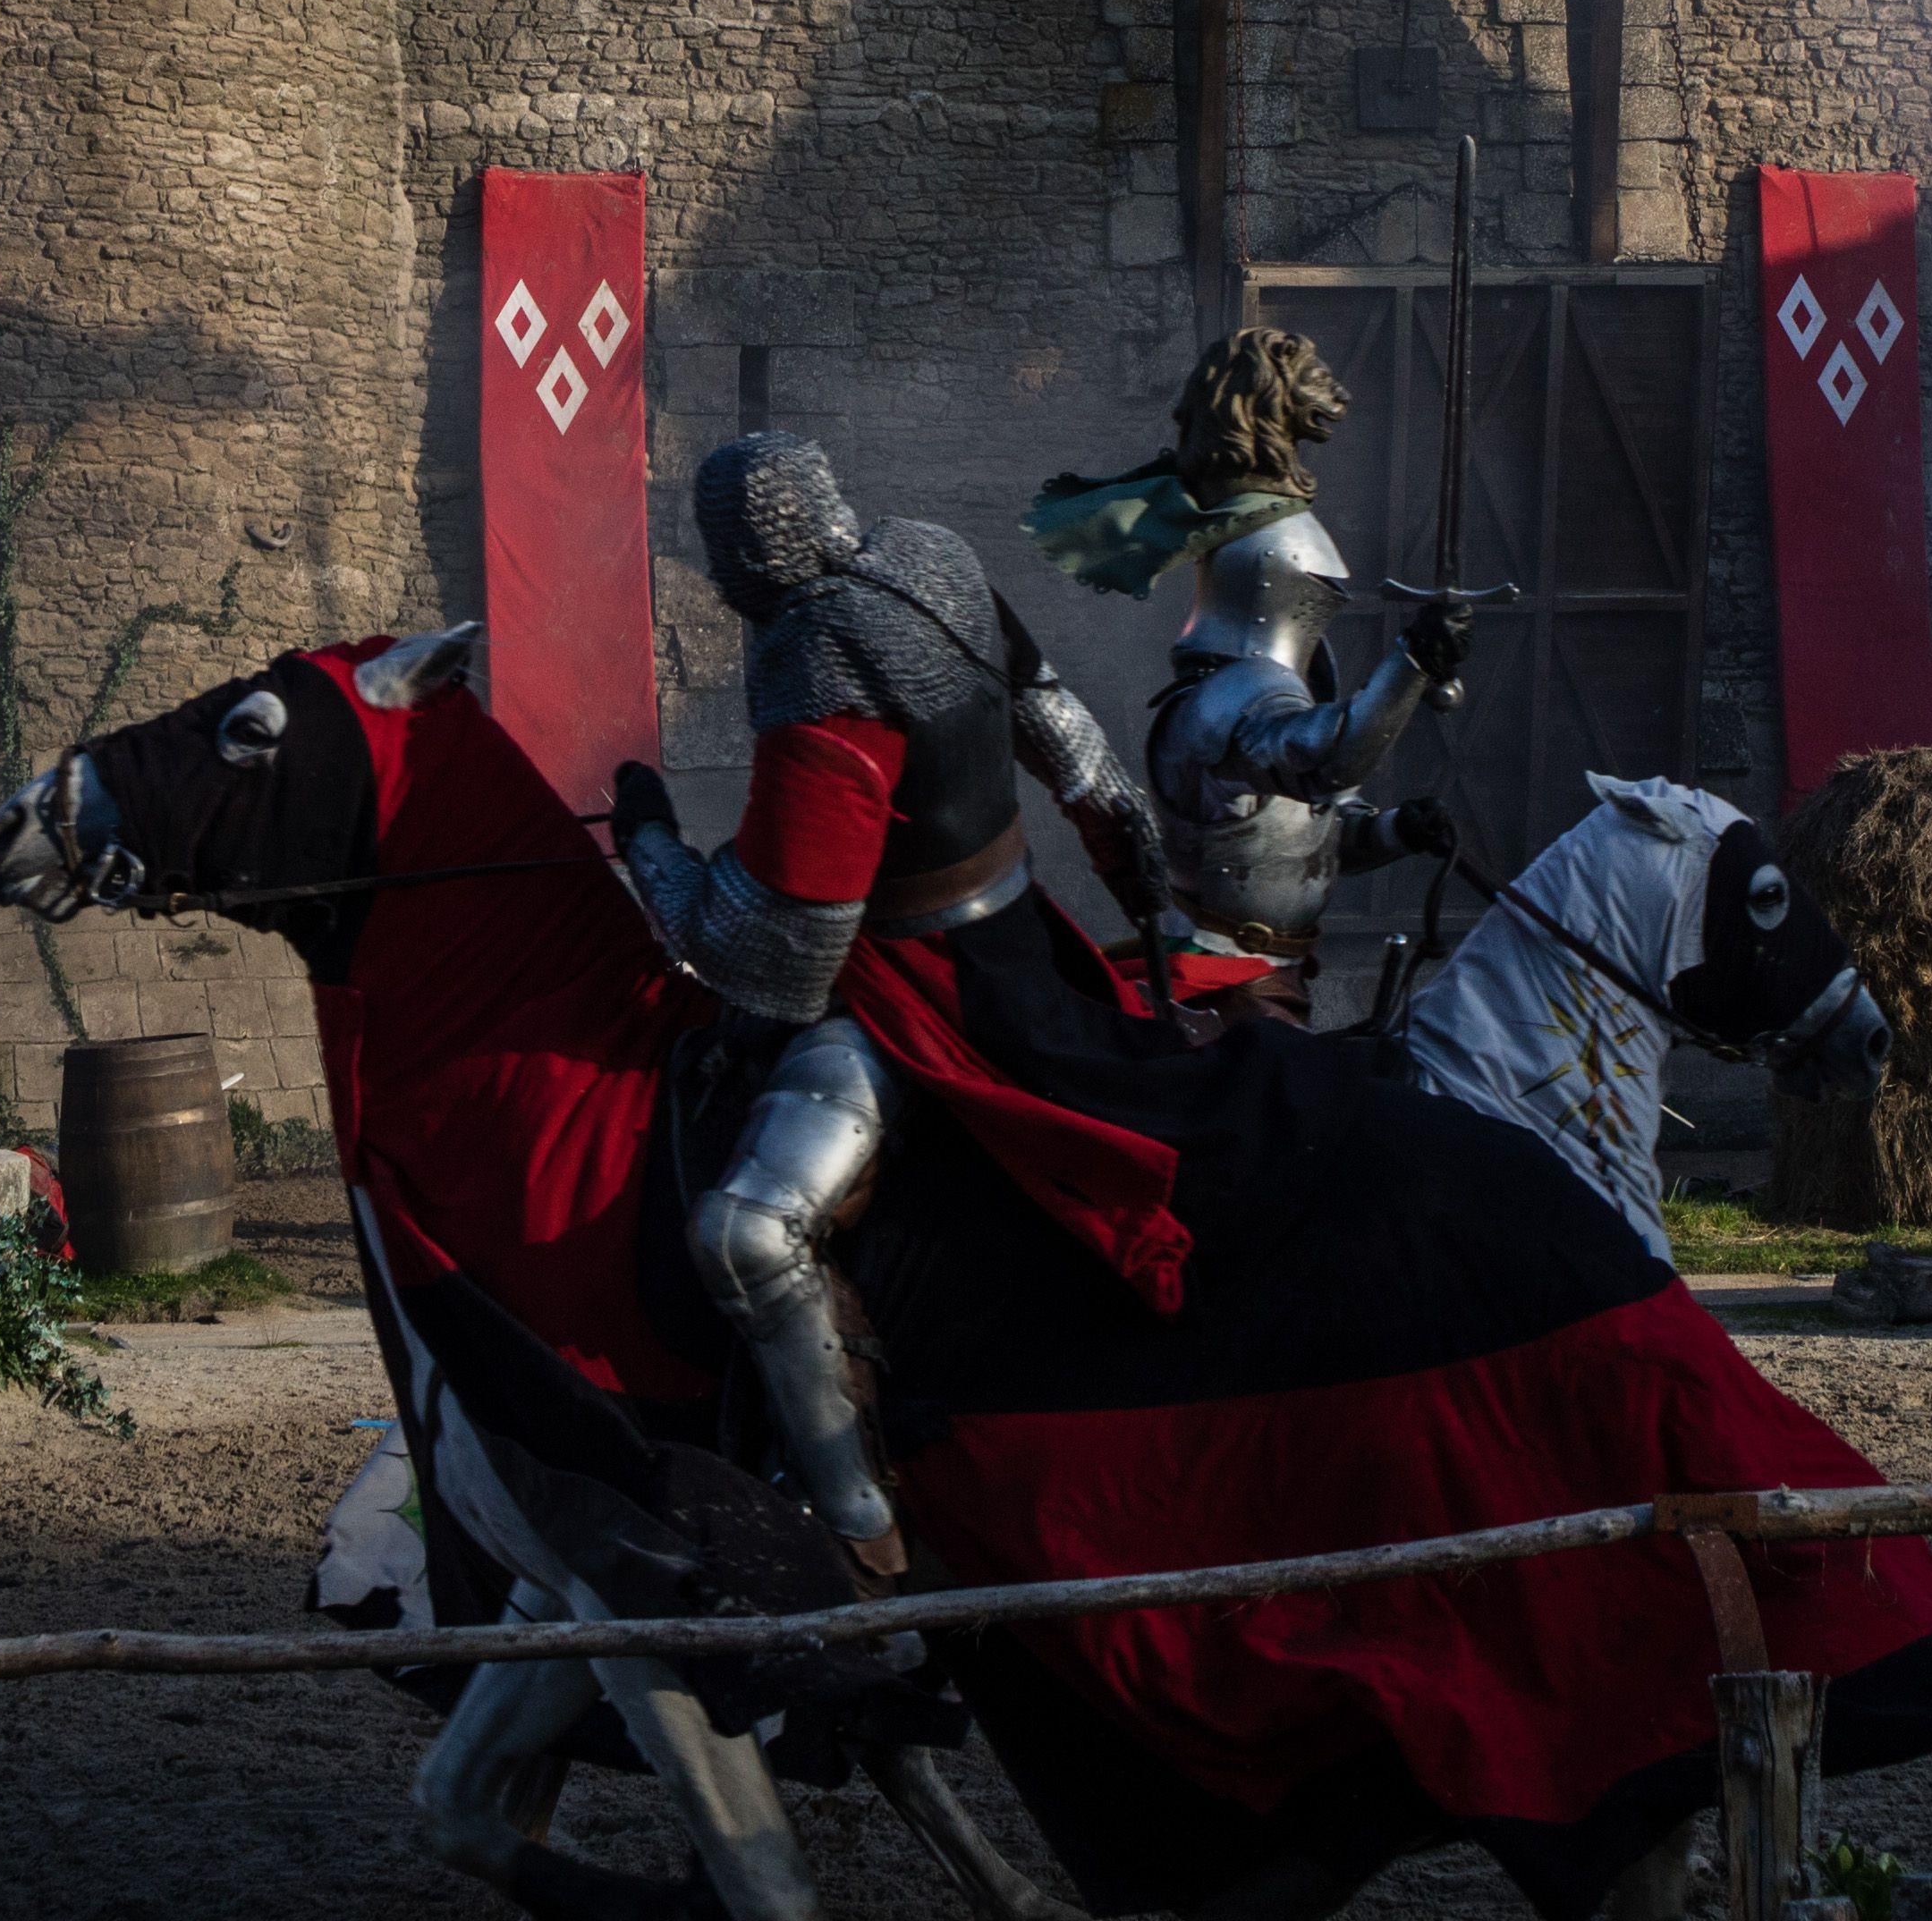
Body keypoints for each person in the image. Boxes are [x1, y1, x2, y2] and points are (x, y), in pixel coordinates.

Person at [608, 431, 1167, 1571]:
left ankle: (859, 1536)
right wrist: (1126, 846)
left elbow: (781, 946)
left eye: (722, 558)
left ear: (747, 551)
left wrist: (650, 843)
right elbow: (1053, 712)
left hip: (923, 999)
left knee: (748, 1233)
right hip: (1029, 947)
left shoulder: (817, 654)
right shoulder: (932, 555)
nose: (719, 584)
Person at [1031, 328, 1470, 1023]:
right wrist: (1411, 663)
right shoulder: (1229, 699)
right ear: (1282, 580)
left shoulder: (1276, 698)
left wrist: (1394, 833)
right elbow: (1327, 764)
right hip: (1222, 985)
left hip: (1274, 974)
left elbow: (1300, 845)